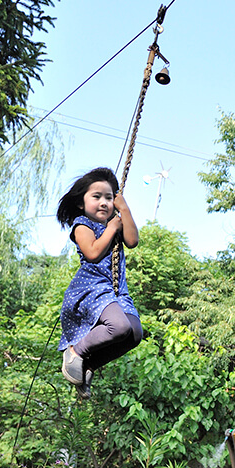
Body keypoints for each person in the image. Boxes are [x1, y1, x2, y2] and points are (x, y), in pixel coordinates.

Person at [56, 167, 143, 399]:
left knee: (134, 333)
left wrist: (124, 210)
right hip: (92, 287)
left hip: (116, 290)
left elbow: (132, 241)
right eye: (96, 197)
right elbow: (93, 253)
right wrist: (112, 228)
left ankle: (89, 366)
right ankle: (75, 351)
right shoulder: (82, 224)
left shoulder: (116, 220)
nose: (104, 202)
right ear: (82, 203)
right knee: (119, 327)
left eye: (109, 197)